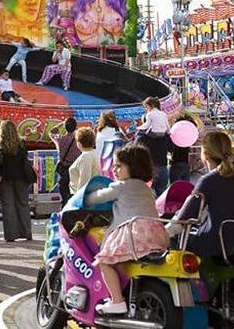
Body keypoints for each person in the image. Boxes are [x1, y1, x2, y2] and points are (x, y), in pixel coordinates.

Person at [85, 145, 169, 314]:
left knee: (104, 261)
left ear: (133, 167)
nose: (114, 169)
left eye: (118, 166)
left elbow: (96, 197)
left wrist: (84, 196)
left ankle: (117, 301)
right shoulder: (146, 188)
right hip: (155, 234)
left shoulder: (120, 186)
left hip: (133, 234)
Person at [166, 131, 234, 257]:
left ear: (206, 155)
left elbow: (186, 216)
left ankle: (190, 277)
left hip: (221, 243)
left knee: (175, 239)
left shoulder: (208, 180)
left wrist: (164, 232)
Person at [0, 121, 32, 242]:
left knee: (8, 206)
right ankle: (26, 233)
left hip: (5, 179)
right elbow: (25, 160)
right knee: (23, 204)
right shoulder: (22, 143)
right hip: (21, 178)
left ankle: (10, 235)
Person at [135, 97, 170, 196]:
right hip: (163, 168)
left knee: (146, 196)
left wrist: (137, 129)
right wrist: (169, 132)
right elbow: (167, 127)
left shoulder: (143, 138)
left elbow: (146, 126)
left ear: (149, 106)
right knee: (161, 195)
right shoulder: (163, 115)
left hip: (151, 169)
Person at [49, 118, 82, 207]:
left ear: (65, 127)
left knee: (65, 197)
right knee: (76, 195)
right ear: (75, 127)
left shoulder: (60, 140)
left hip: (64, 171)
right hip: (76, 170)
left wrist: (61, 124)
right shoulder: (79, 141)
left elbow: (51, 132)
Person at [68, 127, 100, 195]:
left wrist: (78, 200)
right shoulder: (96, 153)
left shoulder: (85, 157)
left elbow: (84, 181)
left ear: (79, 143)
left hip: (83, 197)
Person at [169, 115, 194, 183]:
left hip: (176, 163)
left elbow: (169, 148)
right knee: (185, 189)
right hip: (186, 164)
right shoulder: (187, 135)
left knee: (175, 188)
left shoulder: (173, 136)